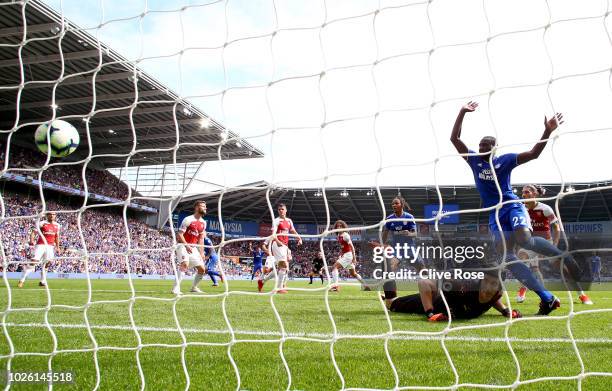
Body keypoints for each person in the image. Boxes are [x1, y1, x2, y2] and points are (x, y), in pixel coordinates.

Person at [450, 101, 585, 315]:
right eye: (481, 144)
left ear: (495, 148)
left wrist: (546, 131)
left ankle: (562, 255)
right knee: (508, 258)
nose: (483, 147)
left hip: (512, 206)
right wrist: (462, 112)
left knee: (524, 240)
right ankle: (547, 298)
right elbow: (454, 139)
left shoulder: (505, 160)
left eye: (487, 145)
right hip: (495, 215)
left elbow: (533, 154)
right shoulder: (474, 160)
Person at [516, 184, 592, 304]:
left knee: (562, 270)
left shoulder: (545, 208)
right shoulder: (521, 209)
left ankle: (582, 295)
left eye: (527, 192)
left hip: (546, 243)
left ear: (535, 194)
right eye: (523, 192)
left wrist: (554, 245)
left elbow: (556, 227)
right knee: (521, 261)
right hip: (530, 243)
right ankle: (522, 289)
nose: (523, 194)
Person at [384, 272, 522, 321]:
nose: (488, 287)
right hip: (431, 302)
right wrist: (430, 314)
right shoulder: (463, 286)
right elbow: (423, 282)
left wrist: (506, 311)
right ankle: (386, 262)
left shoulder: (497, 294)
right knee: (391, 303)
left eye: (493, 284)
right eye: (485, 281)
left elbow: (492, 299)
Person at [259, 203, 302, 294]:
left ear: (286, 210)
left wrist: (299, 238)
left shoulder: (289, 221)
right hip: (277, 245)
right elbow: (274, 233)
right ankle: (279, 288)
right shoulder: (276, 221)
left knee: (282, 268)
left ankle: (262, 281)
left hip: (285, 246)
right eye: (279, 209)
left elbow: (293, 230)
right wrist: (278, 242)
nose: (281, 211)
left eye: (282, 209)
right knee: (284, 267)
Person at [173, 200, 207, 295]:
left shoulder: (203, 223)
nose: (205, 208)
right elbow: (180, 234)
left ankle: (194, 287)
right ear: (196, 207)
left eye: (205, 206)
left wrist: (202, 252)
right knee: (185, 264)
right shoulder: (188, 219)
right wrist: (186, 245)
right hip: (182, 245)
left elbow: (201, 238)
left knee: (202, 269)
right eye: (203, 206)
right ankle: (176, 288)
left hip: (193, 247)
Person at [18, 212, 60, 288]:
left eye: (54, 214)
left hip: (50, 247)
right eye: (50, 214)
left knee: (47, 264)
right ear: (47, 215)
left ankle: (42, 281)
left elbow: (56, 237)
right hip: (41, 245)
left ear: (55, 216)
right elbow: (34, 232)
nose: (52, 216)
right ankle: (22, 280)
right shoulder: (42, 223)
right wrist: (31, 240)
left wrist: (58, 247)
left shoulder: (57, 225)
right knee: (33, 262)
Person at [330, 220, 368, 291]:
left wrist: (354, 258)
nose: (339, 227)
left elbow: (352, 246)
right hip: (345, 255)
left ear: (343, 227)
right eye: (337, 226)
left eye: (340, 226)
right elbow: (343, 247)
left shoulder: (345, 235)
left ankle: (336, 286)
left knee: (334, 267)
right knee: (353, 273)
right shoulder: (339, 235)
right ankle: (366, 286)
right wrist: (341, 255)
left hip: (348, 256)